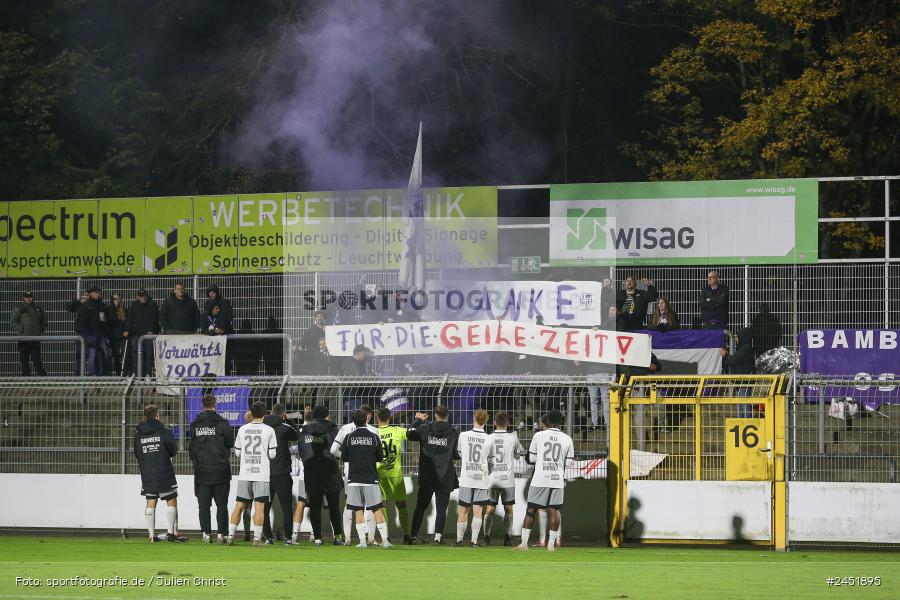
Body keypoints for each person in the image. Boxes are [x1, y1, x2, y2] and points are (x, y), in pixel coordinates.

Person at [515, 410, 574, 552]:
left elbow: (531, 459)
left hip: (540, 478)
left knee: (531, 509)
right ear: (561, 422)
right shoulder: (567, 439)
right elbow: (569, 463)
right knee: (554, 510)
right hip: (556, 479)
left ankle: (524, 543)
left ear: (547, 421)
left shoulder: (539, 436)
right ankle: (551, 544)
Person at [335, 410, 392, 548]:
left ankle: (362, 542)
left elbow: (344, 457)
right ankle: (385, 541)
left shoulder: (349, 437)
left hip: (354, 479)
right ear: (366, 420)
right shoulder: (374, 436)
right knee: (376, 509)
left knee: (358, 510)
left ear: (354, 421)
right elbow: (380, 457)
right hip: (371, 478)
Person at [407, 405, 459, 544]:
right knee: (441, 508)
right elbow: (455, 455)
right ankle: (437, 538)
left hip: (428, 475)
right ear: (447, 415)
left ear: (435, 415)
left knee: (421, 506)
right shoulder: (453, 432)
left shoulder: (425, 428)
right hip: (444, 475)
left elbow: (409, 434)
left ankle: (414, 535)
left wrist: (417, 420)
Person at [227, 401, 277, 546]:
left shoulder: (242, 429)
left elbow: (237, 453)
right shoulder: (269, 430)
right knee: (259, 507)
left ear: (251, 413)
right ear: (265, 414)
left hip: (245, 474)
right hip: (261, 474)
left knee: (239, 506)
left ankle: (230, 536)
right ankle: (256, 539)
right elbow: (273, 454)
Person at [134, 405, 186, 543]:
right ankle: (170, 534)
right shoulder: (164, 431)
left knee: (151, 501)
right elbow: (173, 450)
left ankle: (151, 536)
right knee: (171, 500)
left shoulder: (138, 434)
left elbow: (137, 454)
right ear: (157, 416)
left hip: (147, 472)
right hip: (164, 470)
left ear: (145, 417)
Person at [188, 393, 234, 544]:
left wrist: (197, 463)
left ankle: (206, 534)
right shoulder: (223, 423)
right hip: (221, 469)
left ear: (202, 405)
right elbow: (229, 443)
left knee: (203, 505)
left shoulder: (195, 425)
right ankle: (222, 535)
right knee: (222, 505)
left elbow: (192, 448)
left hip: (202, 471)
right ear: (215, 405)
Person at [331, 405, 379, 545]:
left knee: (350, 505)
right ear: (366, 417)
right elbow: (378, 453)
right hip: (369, 472)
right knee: (370, 505)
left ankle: (347, 539)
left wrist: (348, 458)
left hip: (350, 473)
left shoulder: (345, 429)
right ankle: (370, 538)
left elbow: (333, 449)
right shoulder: (373, 430)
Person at [298, 405, 344, 546]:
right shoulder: (333, 429)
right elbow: (338, 449)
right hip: (330, 471)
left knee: (315, 506)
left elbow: (301, 452)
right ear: (326, 416)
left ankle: (318, 538)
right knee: (334, 506)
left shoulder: (303, 431)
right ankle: (338, 537)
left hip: (312, 472)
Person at [455, 409, 495, 547]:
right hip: (481, 478)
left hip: (466, 477)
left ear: (474, 419)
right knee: (478, 510)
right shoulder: (489, 439)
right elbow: (490, 458)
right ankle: (474, 541)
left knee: (464, 509)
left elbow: (459, 453)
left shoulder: (463, 435)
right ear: (486, 421)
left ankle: (459, 540)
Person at [484, 412, 524, 546]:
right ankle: (507, 537)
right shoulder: (513, 438)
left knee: (490, 508)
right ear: (508, 424)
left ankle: (486, 537)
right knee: (508, 508)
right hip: (507, 480)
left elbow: (486, 458)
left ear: (494, 423)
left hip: (492, 479)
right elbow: (519, 455)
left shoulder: (489, 438)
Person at [374, 407, 412, 544]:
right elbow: (411, 433)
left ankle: (386, 537)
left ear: (377, 418)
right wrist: (418, 421)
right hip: (395, 474)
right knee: (401, 505)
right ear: (389, 418)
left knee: (382, 505)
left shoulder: (374, 432)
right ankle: (407, 536)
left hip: (379, 473)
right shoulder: (397, 431)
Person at [262, 404, 299, 544]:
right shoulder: (285, 428)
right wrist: (289, 420)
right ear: (283, 414)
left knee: (265, 508)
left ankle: (268, 538)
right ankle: (288, 538)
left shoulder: (263, 428)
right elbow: (296, 435)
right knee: (286, 507)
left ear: (270, 413)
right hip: (282, 472)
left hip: (265, 473)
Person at [66, 286, 110, 376]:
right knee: (88, 355)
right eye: (95, 293)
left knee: (103, 355)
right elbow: (68, 307)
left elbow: (104, 319)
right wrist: (78, 300)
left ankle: (103, 376)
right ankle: (87, 375)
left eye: (99, 292)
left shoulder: (101, 305)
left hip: (100, 334)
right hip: (88, 333)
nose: (98, 294)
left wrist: (105, 332)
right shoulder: (84, 304)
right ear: (90, 294)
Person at [10, 291, 47, 376]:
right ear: (23, 298)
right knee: (24, 361)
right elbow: (13, 321)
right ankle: (26, 380)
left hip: (35, 338)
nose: (28, 298)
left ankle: (43, 380)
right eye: (26, 297)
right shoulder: (20, 308)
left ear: (32, 297)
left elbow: (44, 320)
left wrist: (41, 330)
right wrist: (21, 329)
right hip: (23, 339)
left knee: (36, 360)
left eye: (30, 296)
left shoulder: (38, 307)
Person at [721, 327, 756, 417]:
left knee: (744, 404)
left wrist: (725, 355)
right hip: (741, 382)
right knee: (740, 405)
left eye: (737, 336)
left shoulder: (746, 348)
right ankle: (741, 423)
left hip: (744, 382)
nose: (736, 339)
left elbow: (733, 360)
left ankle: (748, 422)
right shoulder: (743, 348)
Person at [124, 289, 160, 377]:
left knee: (149, 354)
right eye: (141, 296)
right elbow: (130, 319)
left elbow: (155, 319)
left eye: (145, 296)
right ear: (138, 297)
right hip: (137, 333)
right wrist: (127, 330)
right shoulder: (134, 305)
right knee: (136, 353)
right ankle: (136, 373)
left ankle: (148, 374)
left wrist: (152, 330)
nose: (143, 298)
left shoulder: (152, 305)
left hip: (149, 334)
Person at [108, 293, 129, 375]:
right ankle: (114, 375)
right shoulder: (109, 310)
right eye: (115, 299)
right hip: (113, 337)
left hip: (123, 337)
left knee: (123, 357)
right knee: (114, 357)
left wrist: (127, 331)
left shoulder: (124, 310)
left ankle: (123, 374)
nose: (117, 300)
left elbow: (127, 322)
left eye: (118, 298)